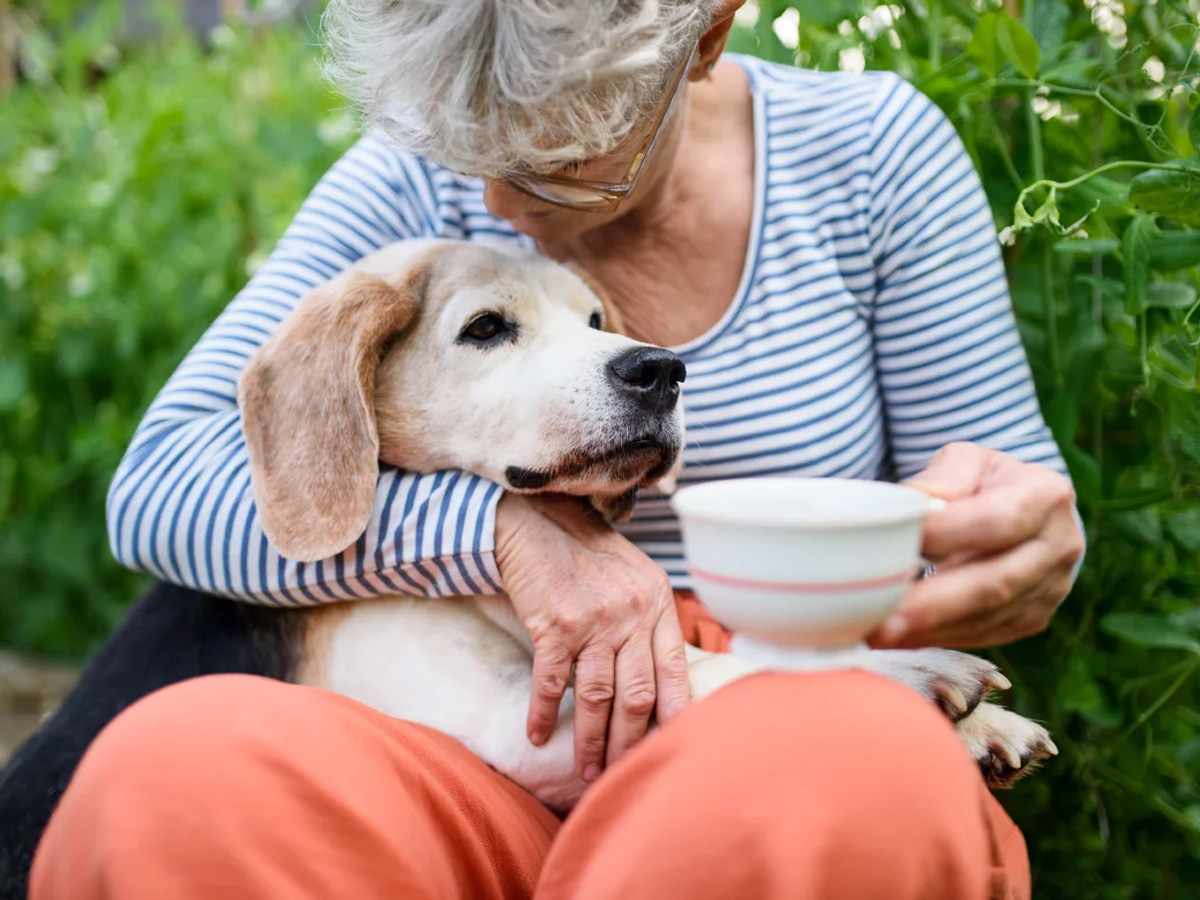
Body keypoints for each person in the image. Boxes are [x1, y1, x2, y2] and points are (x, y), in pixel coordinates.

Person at [32, 1, 1086, 898]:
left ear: (704, 38)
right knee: (184, 775)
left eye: (558, 158)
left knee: (845, 768)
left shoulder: (871, 156)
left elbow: (997, 493)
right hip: (461, 736)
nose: (497, 205)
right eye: (476, 155)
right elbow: (163, 487)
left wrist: (1007, 547)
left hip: (768, 719)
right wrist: (500, 531)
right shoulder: (412, 182)